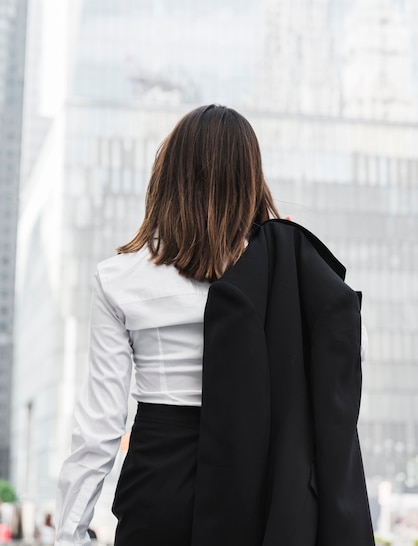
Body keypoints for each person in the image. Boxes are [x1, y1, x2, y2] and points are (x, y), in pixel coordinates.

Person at [55, 104, 374, 546]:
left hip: (158, 483)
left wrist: (68, 535)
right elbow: (343, 361)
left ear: (168, 176)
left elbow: (100, 426)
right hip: (255, 476)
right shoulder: (284, 272)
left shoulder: (118, 279)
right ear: (250, 178)